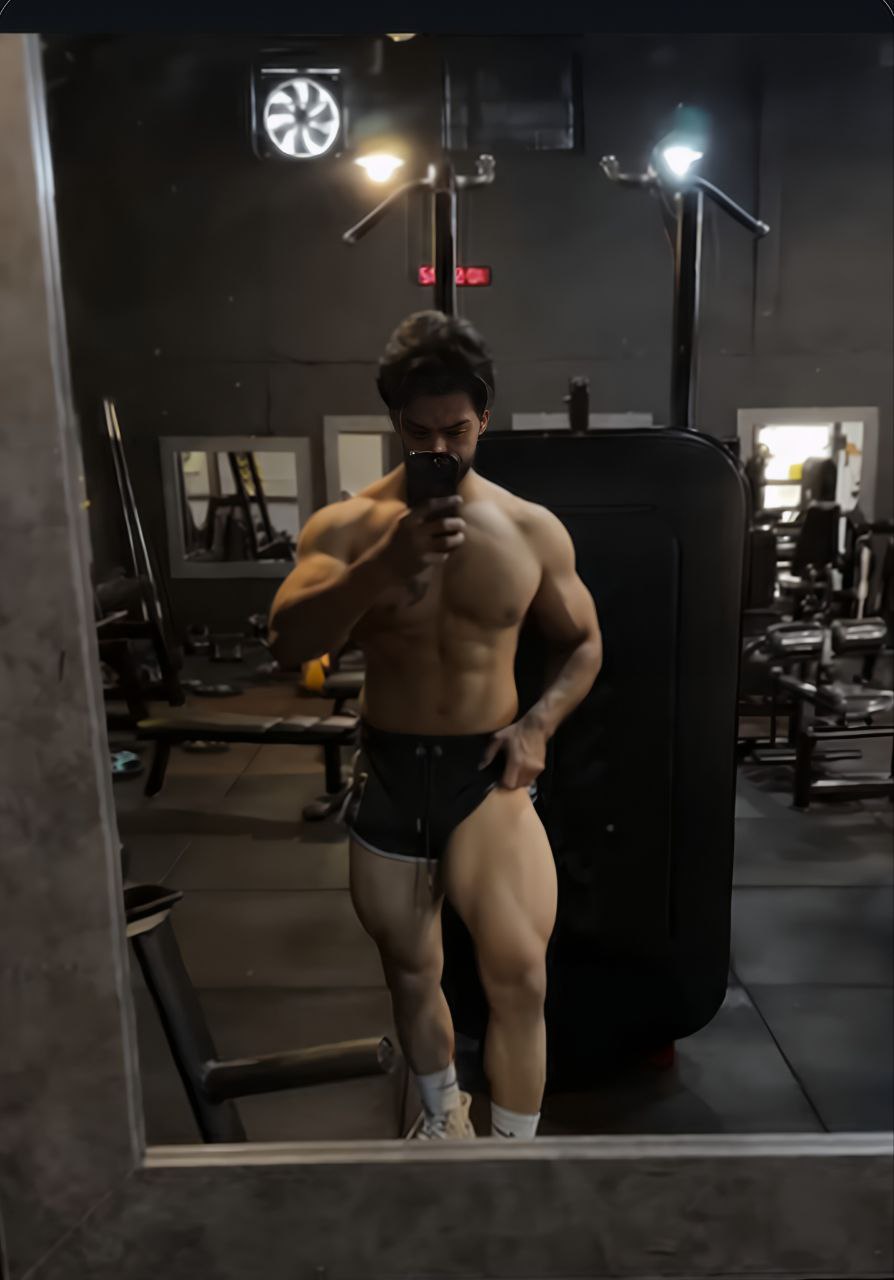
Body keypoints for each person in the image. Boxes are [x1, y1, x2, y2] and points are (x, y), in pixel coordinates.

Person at [269, 311, 602, 1141]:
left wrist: (537, 727)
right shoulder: (345, 528)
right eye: (420, 434)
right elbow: (289, 642)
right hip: (389, 771)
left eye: (456, 430)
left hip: (483, 773)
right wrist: (383, 567)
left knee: (520, 975)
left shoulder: (530, 529)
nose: (440, 449)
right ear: (396, 424)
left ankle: (513, 1158)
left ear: (484, 416)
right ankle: (443, 1117)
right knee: (412, 969)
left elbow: (584, 644)